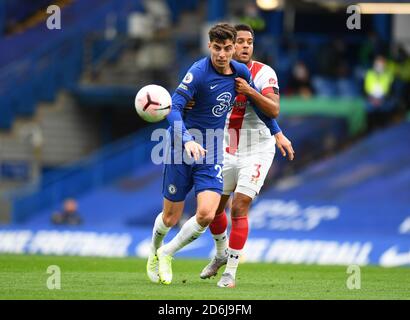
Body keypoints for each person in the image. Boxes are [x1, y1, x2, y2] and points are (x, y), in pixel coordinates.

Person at [146, 23, 283, 285]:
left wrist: (276, 131)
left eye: (227, 48)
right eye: (217, 48)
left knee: (208, 213)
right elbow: (173, 109)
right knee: (170, 217)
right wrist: (186, 140)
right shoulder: (198, 72)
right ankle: (154, 250)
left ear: (233, 49)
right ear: (210, 46)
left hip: (212, 150)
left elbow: (259, 105)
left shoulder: (240, 71)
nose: (222, 54)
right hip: (182, 148)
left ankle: (166, 253)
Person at [199, 24, 295, 288]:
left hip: (257, 149)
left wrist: (250, 90)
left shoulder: (263, 73)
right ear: (228, 45)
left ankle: (230, 271)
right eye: (239, 41)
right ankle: (220, 254)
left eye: (248, 42)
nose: (244, 46)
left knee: (239, 207)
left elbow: (273, 110)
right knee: (212, 209)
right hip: (226, 147)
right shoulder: (214, 73)